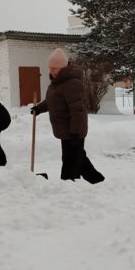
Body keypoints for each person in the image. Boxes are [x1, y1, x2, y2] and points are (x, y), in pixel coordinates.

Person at [31, 48, 104, 184]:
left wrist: (75, 131)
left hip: (73, 129)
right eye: (50, 68)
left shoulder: (71, 83)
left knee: (71, 160)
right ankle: (96, 180)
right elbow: (52, 101)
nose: (52, 71)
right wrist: (39, 108)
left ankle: (68, 183)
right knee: (78, 157)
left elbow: (78, 110)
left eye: (55, 68)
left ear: (63, 67)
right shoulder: (58, 82)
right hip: (66, 129)